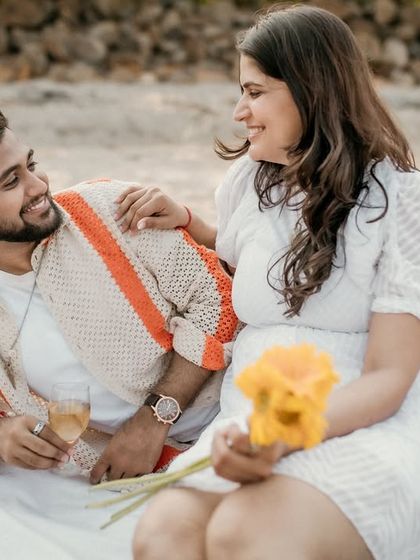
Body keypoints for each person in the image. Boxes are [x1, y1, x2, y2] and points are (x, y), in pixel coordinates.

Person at [122, 5, 420, 560]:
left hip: (356, 423)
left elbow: (391, 375)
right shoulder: (249, 182)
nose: (239, 111)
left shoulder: (402, 200)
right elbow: (258, 263)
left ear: (312, 90)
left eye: (255, 92)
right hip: (249, 424)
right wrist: (191, 222)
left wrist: (285, 433)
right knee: (161, 537)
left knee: (246, 538)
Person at [0, 111, 238, 485]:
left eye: (31, 165)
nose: (38, 186)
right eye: (11, 181)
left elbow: (218, 298)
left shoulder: (110, 208)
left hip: (234, 411)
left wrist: (155, 417)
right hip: (110, 474)